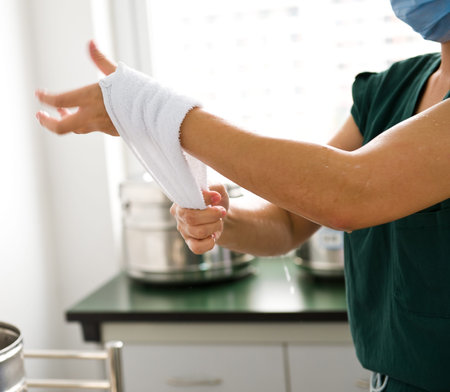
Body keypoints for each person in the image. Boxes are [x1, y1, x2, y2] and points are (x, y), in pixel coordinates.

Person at [36, 1, 450, 391]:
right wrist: (221, 219)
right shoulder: (391, 90)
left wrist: (156, 111)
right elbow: (289, 221)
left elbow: (348, 192)